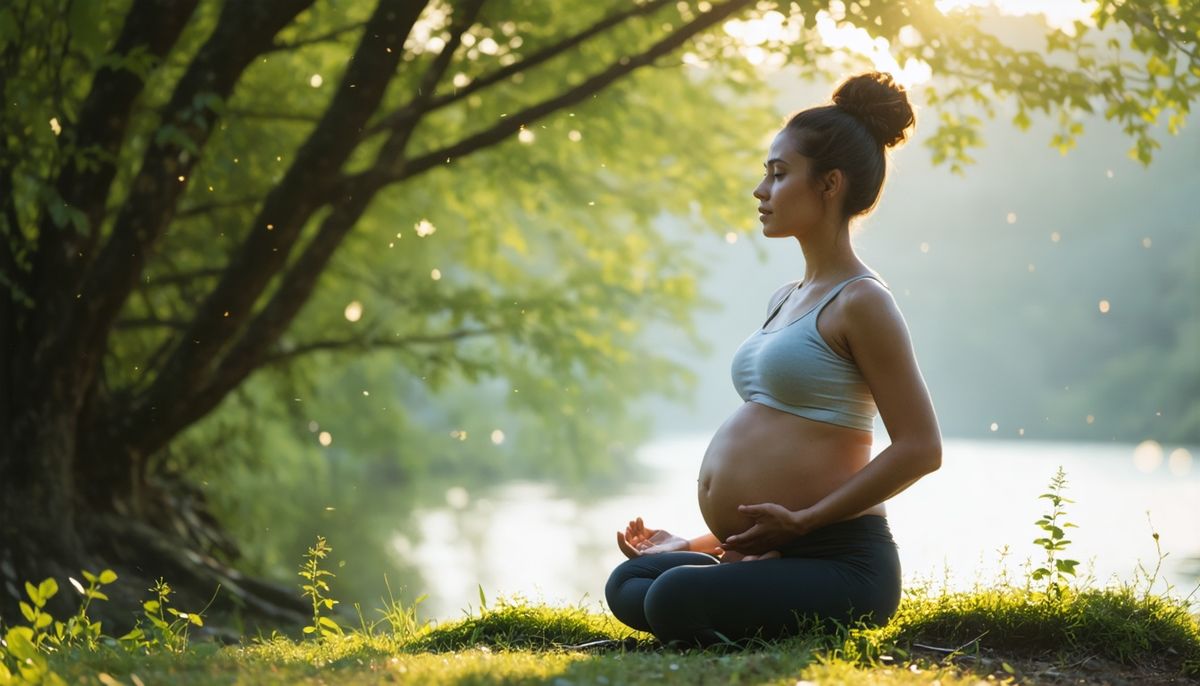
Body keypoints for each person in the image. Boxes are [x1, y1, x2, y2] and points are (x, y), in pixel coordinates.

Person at [604, 71, 942, 648]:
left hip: (843, 563)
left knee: (670, 596)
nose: (761, 190)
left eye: (779, 174)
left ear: (830, 184)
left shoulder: (862, 301)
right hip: (776, 548)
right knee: (630, 582)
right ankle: (733, 586)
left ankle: (728, 616)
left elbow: (920, 448)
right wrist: (694, 545)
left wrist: (804, 523)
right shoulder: (786, 297)